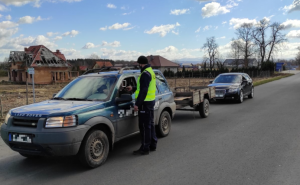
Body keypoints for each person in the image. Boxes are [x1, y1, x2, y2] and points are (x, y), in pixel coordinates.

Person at [126, 56, 157, 155]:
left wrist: (137, 104)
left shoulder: (144, 74)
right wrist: (133, 88)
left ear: (141, 64)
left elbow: (144, 91)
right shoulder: (150, 71)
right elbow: (143, 87)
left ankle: (145, 148)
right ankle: (152, 144)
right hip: (150, 101)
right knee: (150, 125)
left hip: (144, 103)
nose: (138, 65)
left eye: (138, 64)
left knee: (144, 126)